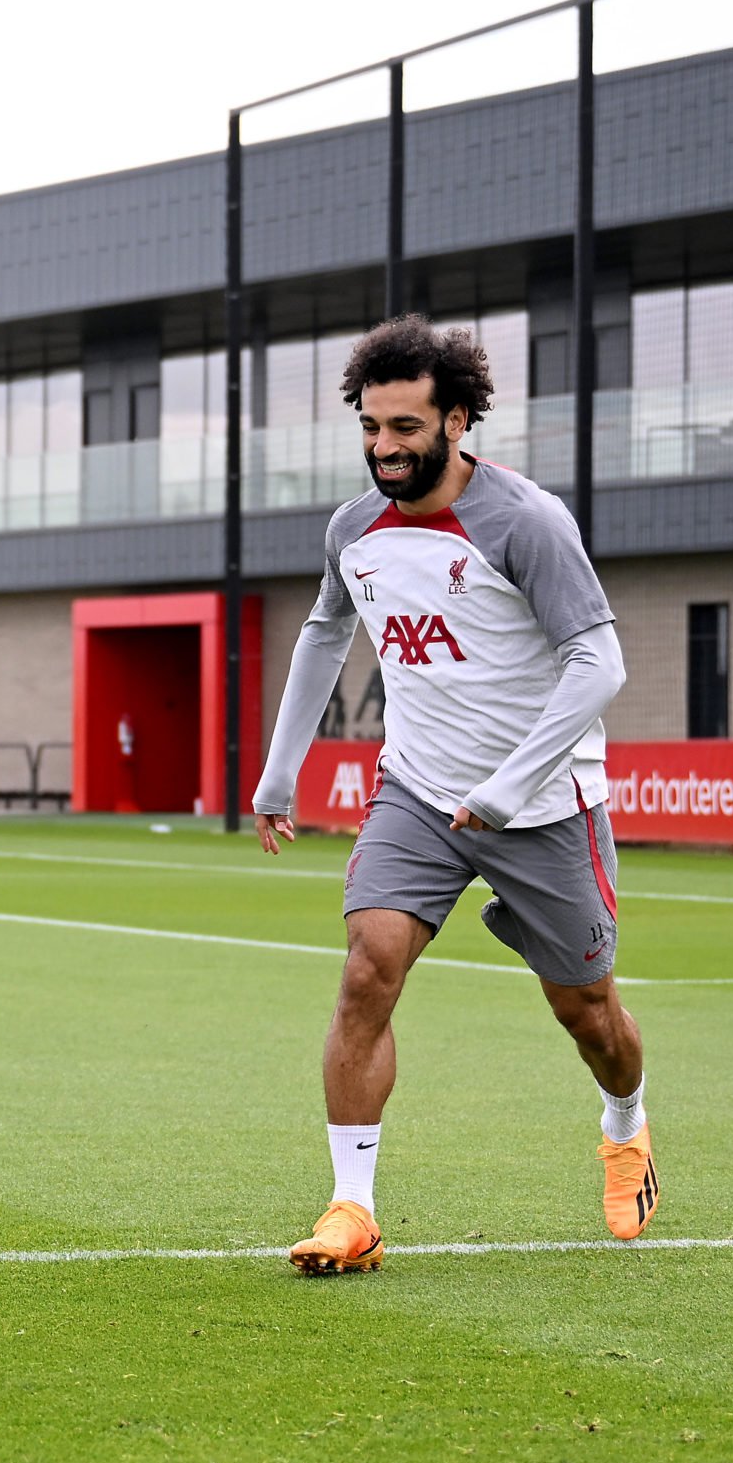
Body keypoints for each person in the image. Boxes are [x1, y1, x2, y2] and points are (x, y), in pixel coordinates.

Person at [251, 314, 656, 1276]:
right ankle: (353, 1209)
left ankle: (625, 1124)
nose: (384, 448)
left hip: (547, 804)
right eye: (371, 427)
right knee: (366, 968)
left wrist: (512, 787)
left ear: (458, 420)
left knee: (589, 1013)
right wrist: (280, 769)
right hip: (419, 793)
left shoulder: (527, 522)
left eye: (405, 428)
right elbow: (322, 632)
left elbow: (599, 664)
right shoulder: (354, 528)